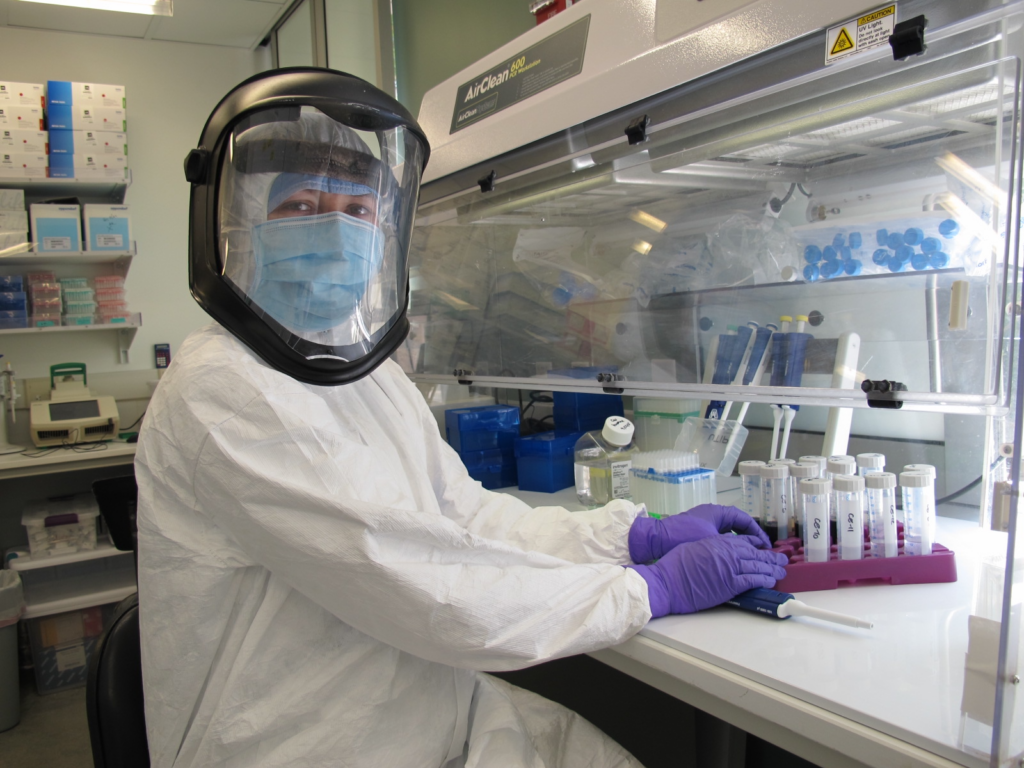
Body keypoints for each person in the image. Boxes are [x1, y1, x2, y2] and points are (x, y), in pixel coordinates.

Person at [136, 68, 787, 768]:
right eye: (301, 205)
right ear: (239, 230)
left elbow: (464, 519)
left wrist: (630, 537)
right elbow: (419, 581)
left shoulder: (368, 377)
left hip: (425, 715)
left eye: (357, 212)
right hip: (302, 744)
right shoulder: (223, 388)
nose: (335, 229)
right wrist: (649, 591)